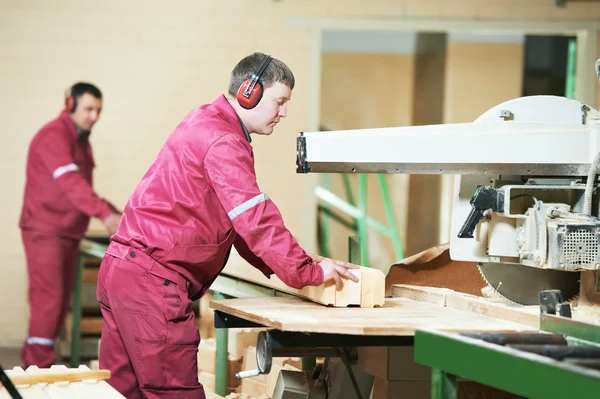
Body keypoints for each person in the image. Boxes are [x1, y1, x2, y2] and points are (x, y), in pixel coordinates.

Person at [97, 52, 360, 398]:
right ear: (248, 92)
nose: (283, 113)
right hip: (151, 282)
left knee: (122, 392)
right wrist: (306, 272)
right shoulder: (224, 140)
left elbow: (241, 226)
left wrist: (301, 265)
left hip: (123, 271)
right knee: (173, 392)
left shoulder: (206, 120)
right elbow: (256, 219)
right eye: (280, 102)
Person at [19, 82, 122, 368]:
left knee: (58, 304)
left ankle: (39, 370)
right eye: (89, 109)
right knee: (48, 304)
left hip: (66, 232)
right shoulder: (53, 136)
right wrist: (105, 214)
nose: (94, 117)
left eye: (98, 110)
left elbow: (80, 188)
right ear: (69, 105)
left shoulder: (80, 140)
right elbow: (72, 185)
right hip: (46, 232)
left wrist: (118, 213)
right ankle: (34, 373)